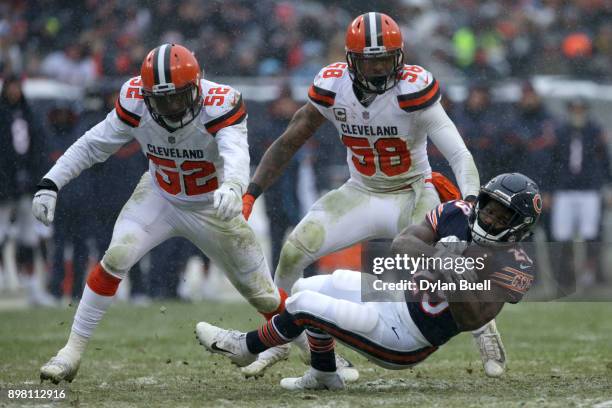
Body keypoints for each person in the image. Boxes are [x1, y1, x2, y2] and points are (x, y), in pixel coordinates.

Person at [239, 12, 503, 378]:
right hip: (361, 190)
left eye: (386, 58)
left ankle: (482, 327)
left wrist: (470, 203)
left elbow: (459, 154)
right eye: (371, 59)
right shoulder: (333, 87)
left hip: (412, 191)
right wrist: (252, 193)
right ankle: (284, 341)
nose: (379, 68)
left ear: (399, 56)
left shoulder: (413, 89)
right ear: (351, 60)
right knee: (291, 253)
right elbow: (290, 140)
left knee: (437, 266)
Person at [34, 43, 286, 384]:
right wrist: (52, 181)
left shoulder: (220, 103)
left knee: (264, 295)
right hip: (160, 195)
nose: (169, 106)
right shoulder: (135, 100)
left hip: (210, 205)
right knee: (116, 257)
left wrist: (232, 187)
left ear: (196, 88)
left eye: (177, 97)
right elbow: (94, 144)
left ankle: (316, 350)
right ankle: (71, 351)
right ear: (147, 95)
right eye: (161, 99)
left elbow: (236, 153)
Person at [197, 173, 541, 390]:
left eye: (501, 215)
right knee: (310, 287)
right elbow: (402, 243)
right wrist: (436, 256)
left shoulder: (516, 265)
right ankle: (324, 373)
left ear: (519, 226)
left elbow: (471, 320)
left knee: (304, 307)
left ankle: (246, 346)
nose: (489, 216)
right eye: (489, 207)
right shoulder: (457, 214)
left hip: (406, 338)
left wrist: (456, 280)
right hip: (392, 298)